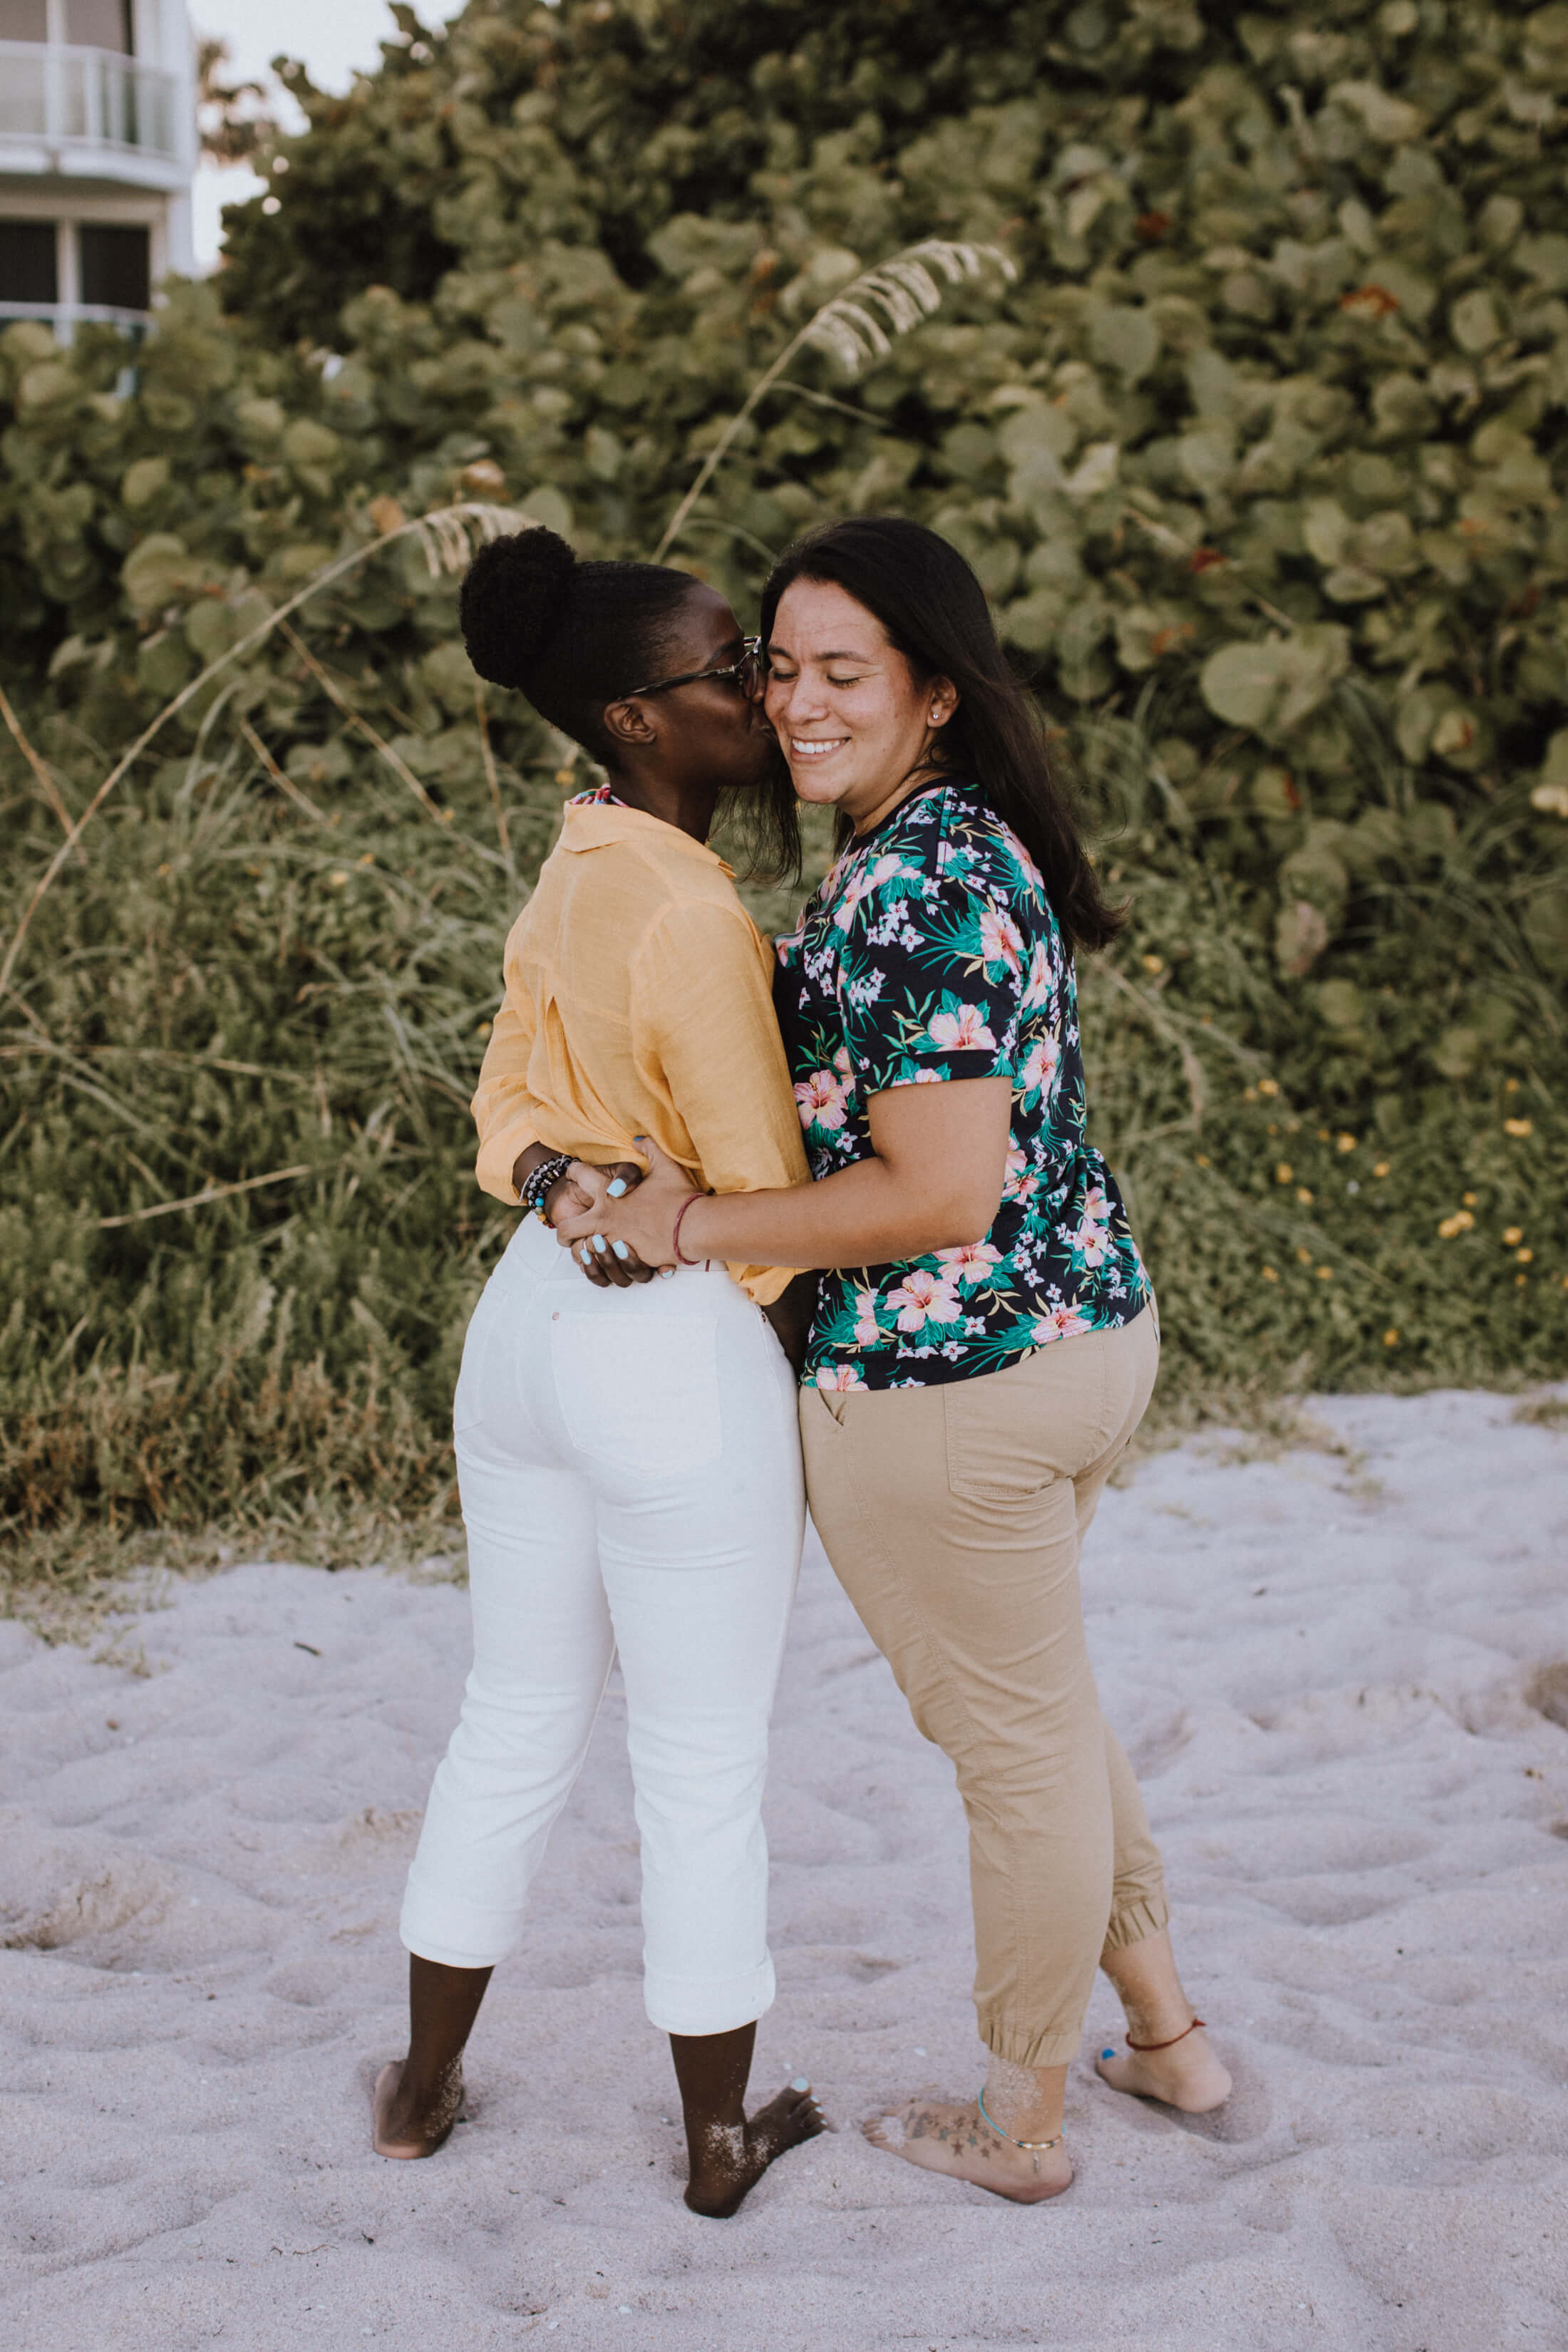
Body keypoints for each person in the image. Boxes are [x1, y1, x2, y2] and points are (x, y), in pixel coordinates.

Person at [558, 515, 1231, 2206]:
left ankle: (1017, 2127)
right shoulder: (941, 843)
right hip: (1075, 1337)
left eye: (840, 671)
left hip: (952, 1392)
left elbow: (935, 1191)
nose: (794, 701)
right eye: (776, 667)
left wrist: (693, 1224)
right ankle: (1163, 2037)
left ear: (933, 690)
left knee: (1009, 1755)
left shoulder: (920, 874)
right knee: (1044, 1712)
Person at [372, 527, 825, 2218]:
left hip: (524, 1334)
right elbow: (759, 1192)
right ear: (639, 719)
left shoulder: (572, 866)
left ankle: (420, 2089)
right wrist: (791, 1350)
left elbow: (502, 1106)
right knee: (699, 1759)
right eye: (735, 672)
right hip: (667, 1345)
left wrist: (557, 1182)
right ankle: (718, 2142)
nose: (767, 697)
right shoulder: (690, 911)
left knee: (511, 1717)